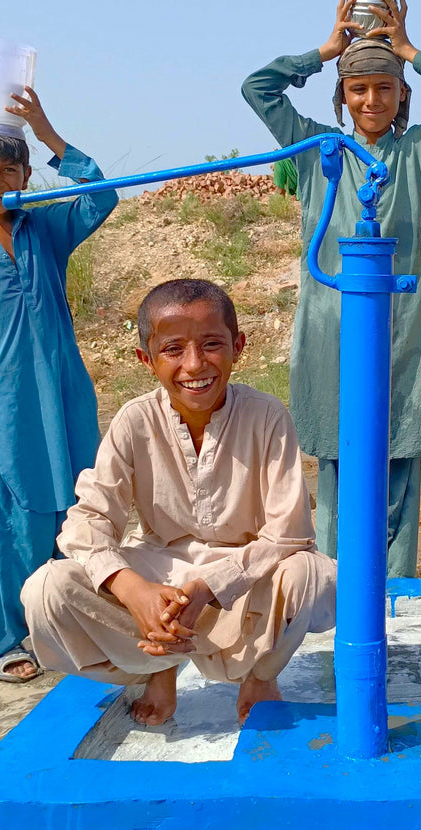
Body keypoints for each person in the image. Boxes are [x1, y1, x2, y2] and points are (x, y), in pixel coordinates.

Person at [242, 0, 421, 577]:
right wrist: (324, 51)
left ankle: (395, 601)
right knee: (338, 469)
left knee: (399, 464)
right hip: (330, 333)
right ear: (343, 97)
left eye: (384, 87)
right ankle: (333, 594)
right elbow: (258, 89)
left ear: (402, 92)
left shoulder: (418, 149)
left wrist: (408, 49)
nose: (371, 100)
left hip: (400, 332)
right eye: (358, 89)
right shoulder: (316, 151)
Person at [21, 280, 337, 726]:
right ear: (146, 360)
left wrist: (209, 586)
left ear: (238, 347)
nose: (194, 364)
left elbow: (289, 533)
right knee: (46, 590)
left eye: (211, 345)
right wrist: (134, 592)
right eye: (173, 349)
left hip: (241, 580)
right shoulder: (134, 420)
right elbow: (87, 521)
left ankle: (260, 675)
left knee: (312, 575)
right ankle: (158, 666)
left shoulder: (267, 416)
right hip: (160, 572)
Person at [0, 88, 118, 683]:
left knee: (80, 511)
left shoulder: (46, 229)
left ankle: (74, 623)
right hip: (5, 408)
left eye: (11, 168)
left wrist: (45, 128)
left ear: (28, 174)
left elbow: (101, 193)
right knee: (13, 522)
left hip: (66, 398)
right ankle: (9, 635)